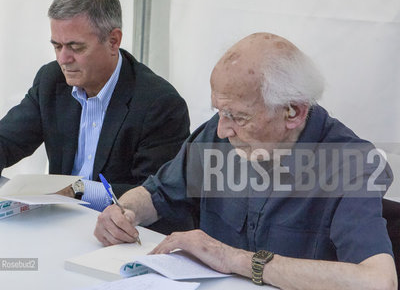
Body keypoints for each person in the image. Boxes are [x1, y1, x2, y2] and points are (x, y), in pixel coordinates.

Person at [94, 33, 398, 289]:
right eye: (219, 112)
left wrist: (234, 259)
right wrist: (125, 210)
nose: (223, 130)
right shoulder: (220, 134)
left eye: (238, 116)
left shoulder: (351, 164)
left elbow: (378, 281)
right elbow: (159, 193)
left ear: (293, 112)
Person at [0, 0, 190, 213]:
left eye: (75, 47)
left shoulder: (159, 104)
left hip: (122, 233)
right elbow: (4, 140)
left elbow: (157, 194)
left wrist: (77, 189)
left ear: (113, 41)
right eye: (57, 46)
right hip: (60, 220)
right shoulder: (52, 80)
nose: (63, 59)